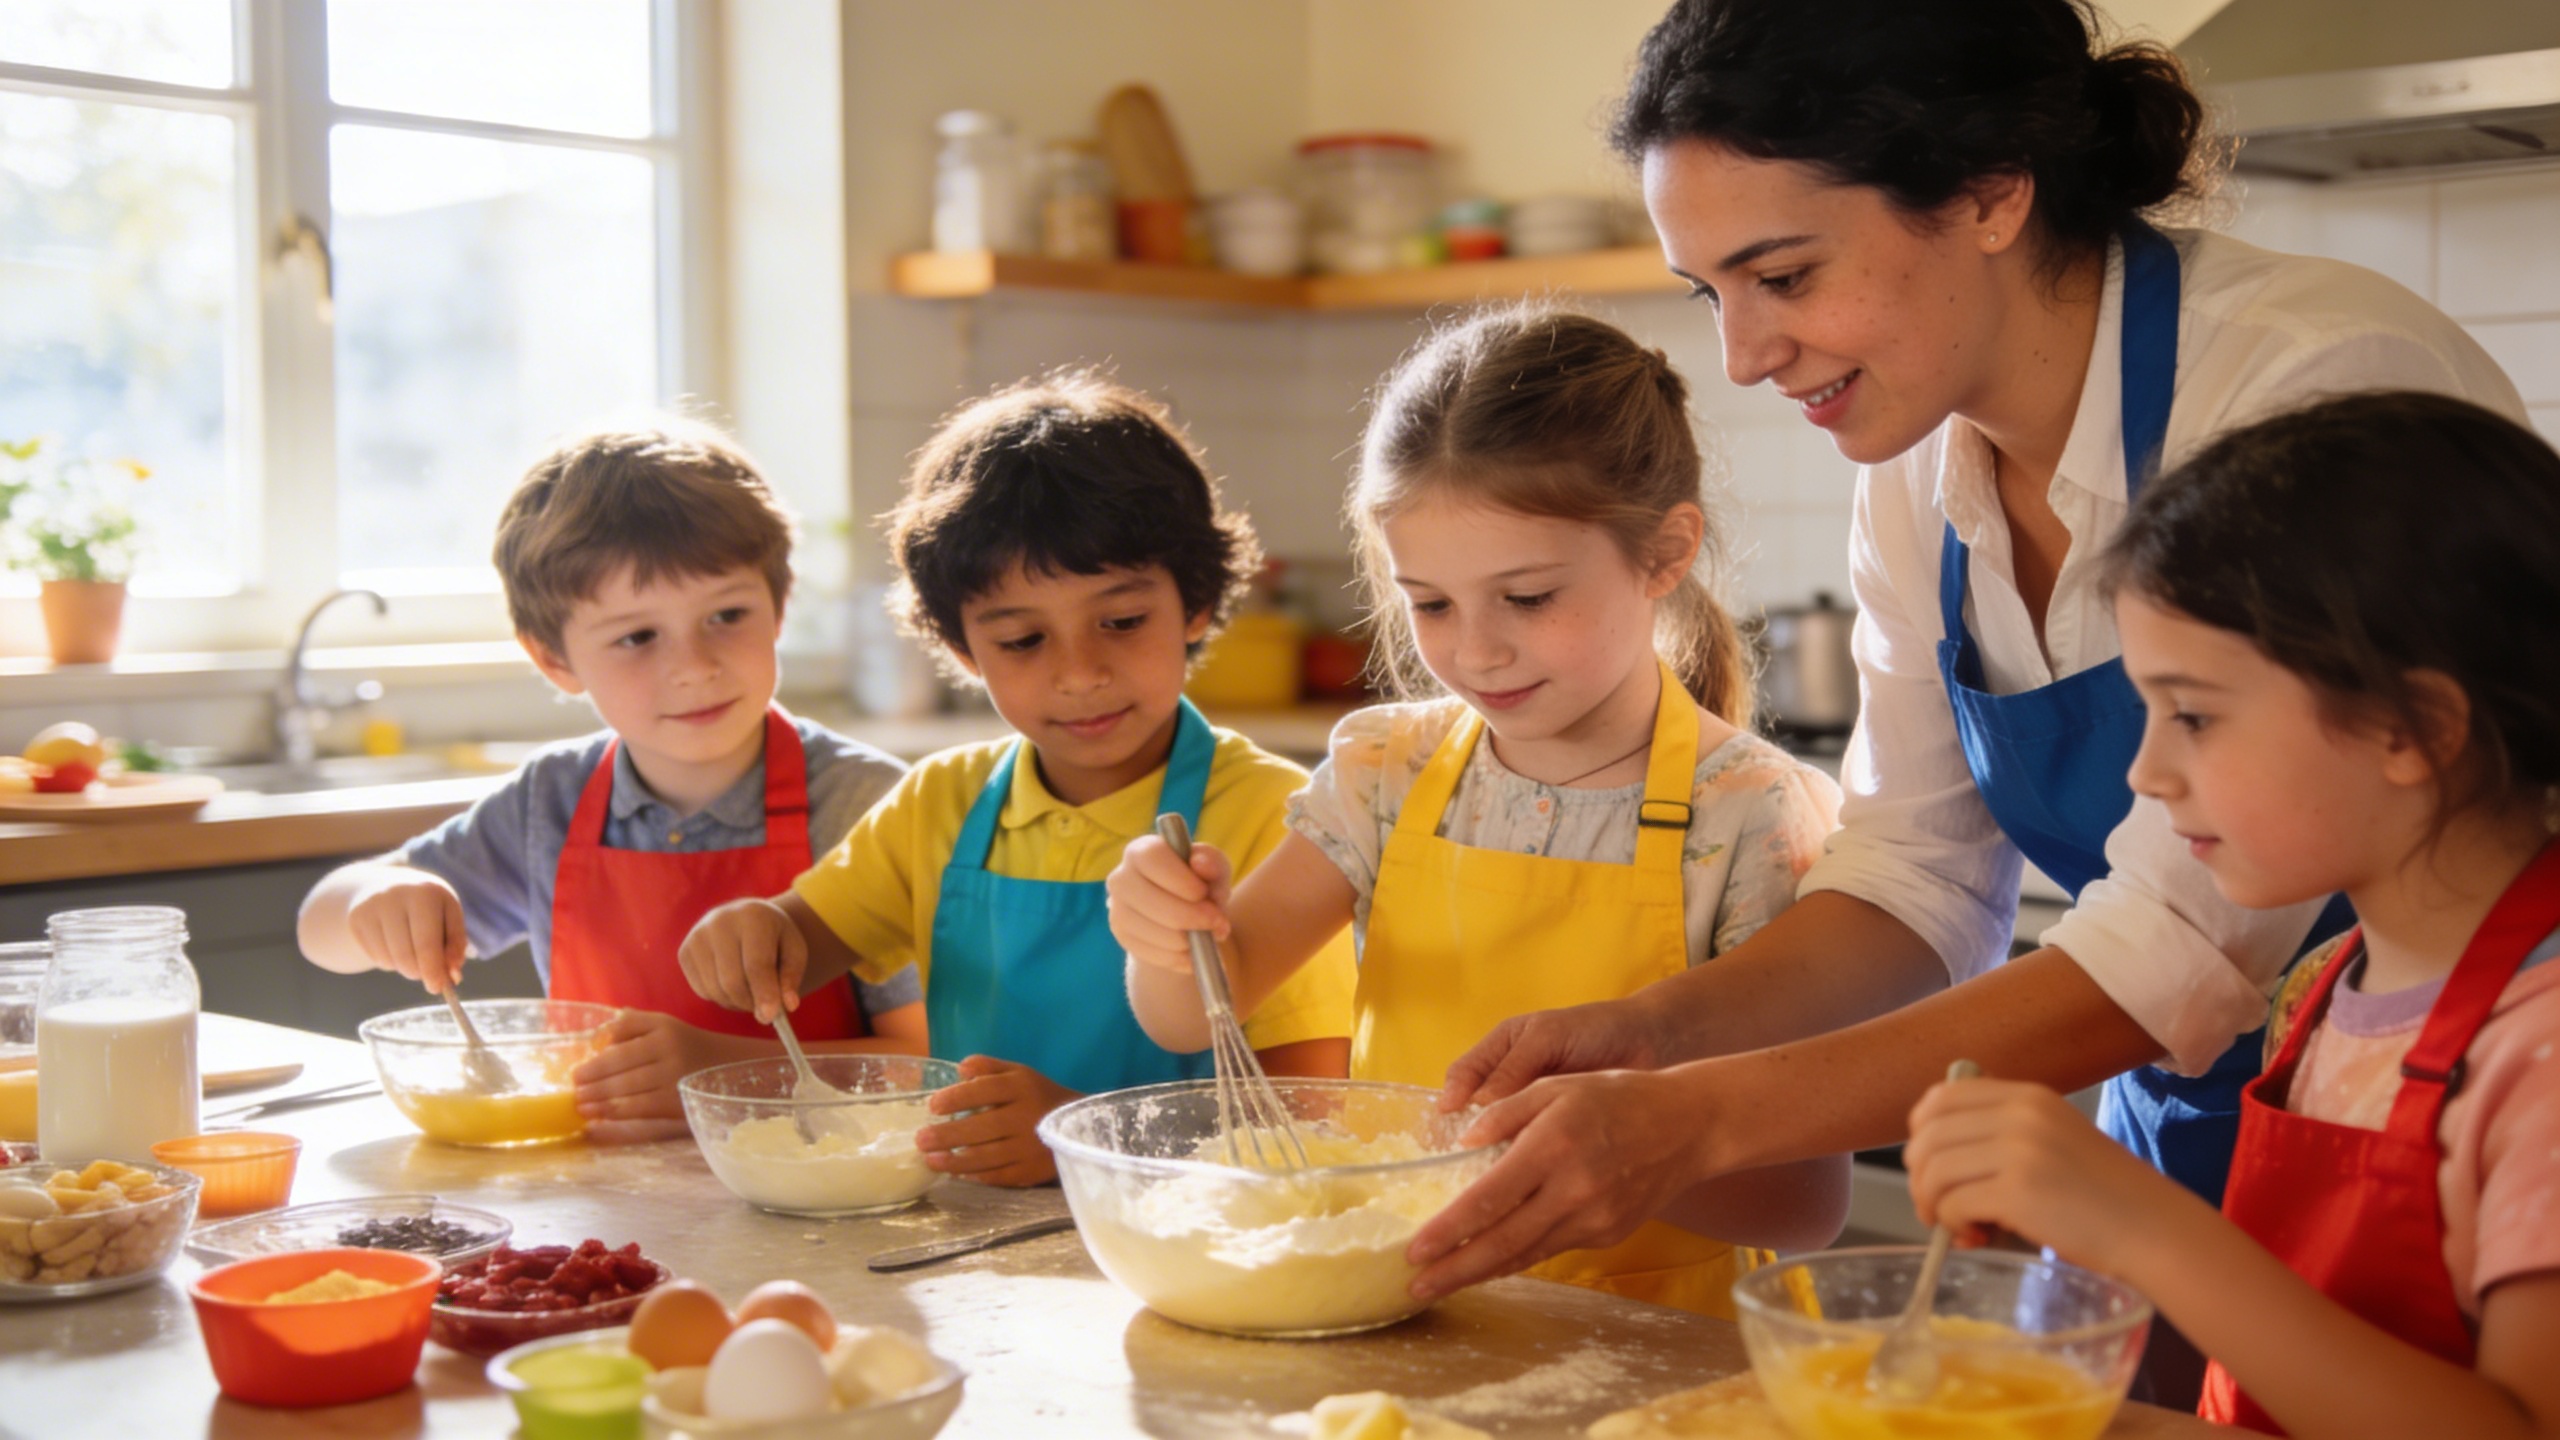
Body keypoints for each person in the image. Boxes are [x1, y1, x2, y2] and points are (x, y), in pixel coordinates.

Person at [1407, 0, 2527, 1389]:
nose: (1747, 356)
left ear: (1993, 193)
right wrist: (1658, 1032)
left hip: (2460, 1138)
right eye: (1714, 294)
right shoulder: (1916, 464)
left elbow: (2181, 944)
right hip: (2176, 1150)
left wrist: (1694, 1122)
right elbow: (1920, 872)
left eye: (1786, 275)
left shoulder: (2299, 386)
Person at [1107, 307, 1846, 1317]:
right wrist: (1164, 934)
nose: (1476, 652)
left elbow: (1803, 1203)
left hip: (1662, 1342)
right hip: (1410, 1308)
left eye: (1529, 598)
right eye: (1433, 604)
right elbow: (1193, 1012)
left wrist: (1611, 1145)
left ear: (1666, 552)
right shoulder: (1388, 770)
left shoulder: (1751, 813)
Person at [1906, 392, 2560, 1438]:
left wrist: (2151, 1230)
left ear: (2413, 726)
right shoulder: (2325, 984)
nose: (2144, 772)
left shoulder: (2539, 1051)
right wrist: (2068, 1257)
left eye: (2194, 715)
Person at [680, 372, 1357, 1187]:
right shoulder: (943, 802)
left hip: (1187, 1250)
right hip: (965, 1244)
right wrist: (752, 934)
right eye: (1023, 641)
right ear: (963, 649)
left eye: (1121, 622)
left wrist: (1078, 1138)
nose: (1080, 673)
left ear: (1198, 602)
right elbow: (800, 943)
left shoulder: (1276, 817)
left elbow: (1312, 1114)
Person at [299, 422, 922, 1143]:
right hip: (605, 1205)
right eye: (637, 637)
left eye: (727, 615)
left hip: (824, 1195)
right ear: (555, 660)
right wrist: (375, 898)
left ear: (779, 607)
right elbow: (320, 932)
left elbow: (933, 1062)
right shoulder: (550, 802)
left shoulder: (867, 804)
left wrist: (724, 1071)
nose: (694, 665)